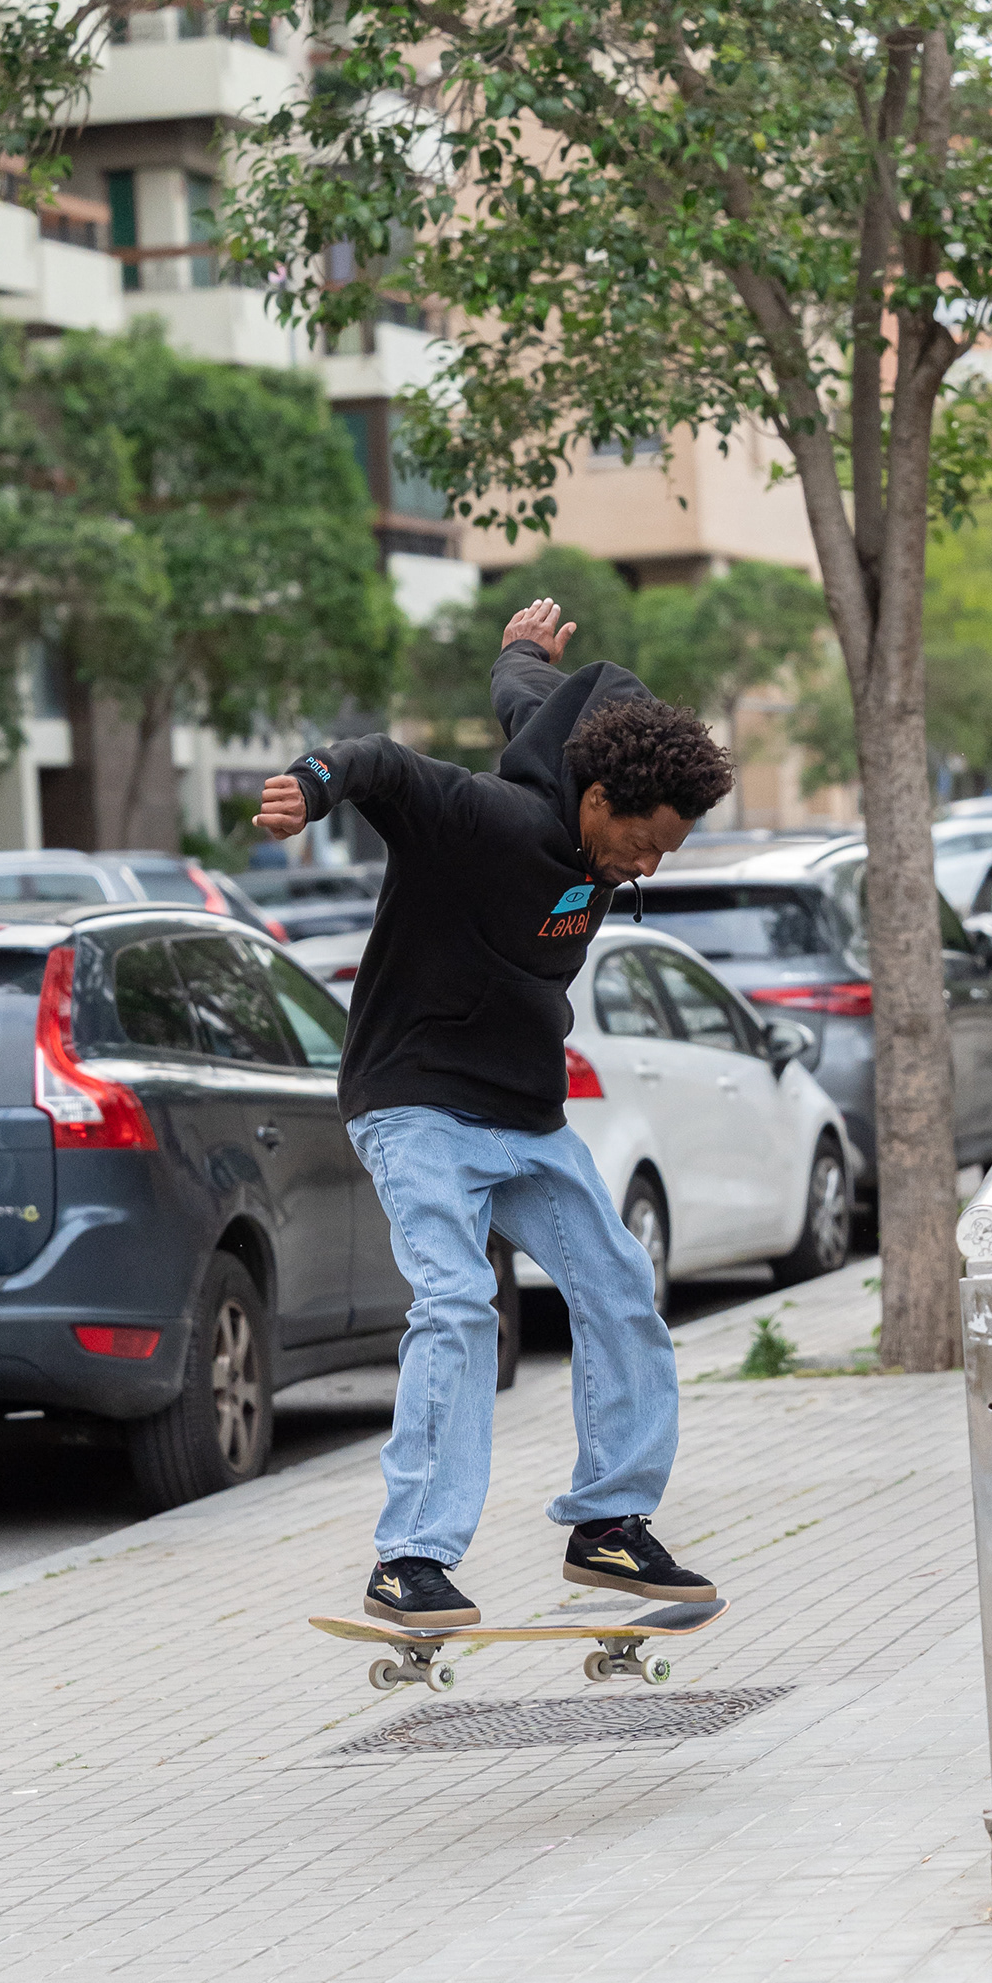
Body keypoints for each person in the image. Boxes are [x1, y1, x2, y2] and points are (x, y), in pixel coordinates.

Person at [253, 595, 736, 1630]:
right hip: (414, 1100)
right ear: (596, 797)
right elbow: (383, 764)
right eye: (643, 843)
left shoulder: (597, 774)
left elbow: (532, 696)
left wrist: (520, 651)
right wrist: (313, 785)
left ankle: (608, 1523)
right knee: (459, 1299)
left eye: (667, 852)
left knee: (621, 1287)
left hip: (525, 1114)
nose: (647, 868)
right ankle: (410, 1558)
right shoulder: (484, 817)